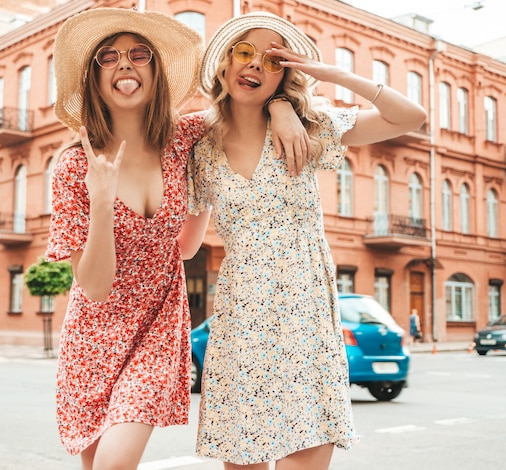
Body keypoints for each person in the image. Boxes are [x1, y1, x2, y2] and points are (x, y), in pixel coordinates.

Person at [46, 8, 310, 470]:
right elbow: (94, 286)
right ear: (94, 77)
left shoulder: (185, 136)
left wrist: (283, 108)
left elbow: (241, 101)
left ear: (155, 71)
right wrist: (102, 200)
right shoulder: (72, 167)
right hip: (93, 338)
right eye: (108, 57)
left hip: (157, 328)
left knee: (114, 463)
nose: (125, 64)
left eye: (139, 54)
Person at [188, 11, 427, 470]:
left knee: (305, 458)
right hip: (242, 317)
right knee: (243, 460)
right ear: (222, 64)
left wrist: (324, 75)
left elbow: (409, 117)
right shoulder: (202, 147)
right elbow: (186, 247)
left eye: (272, 60)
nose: (254, 65)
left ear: (286, 75)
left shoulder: (313, 124)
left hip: (306, 312)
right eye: (244, 52)